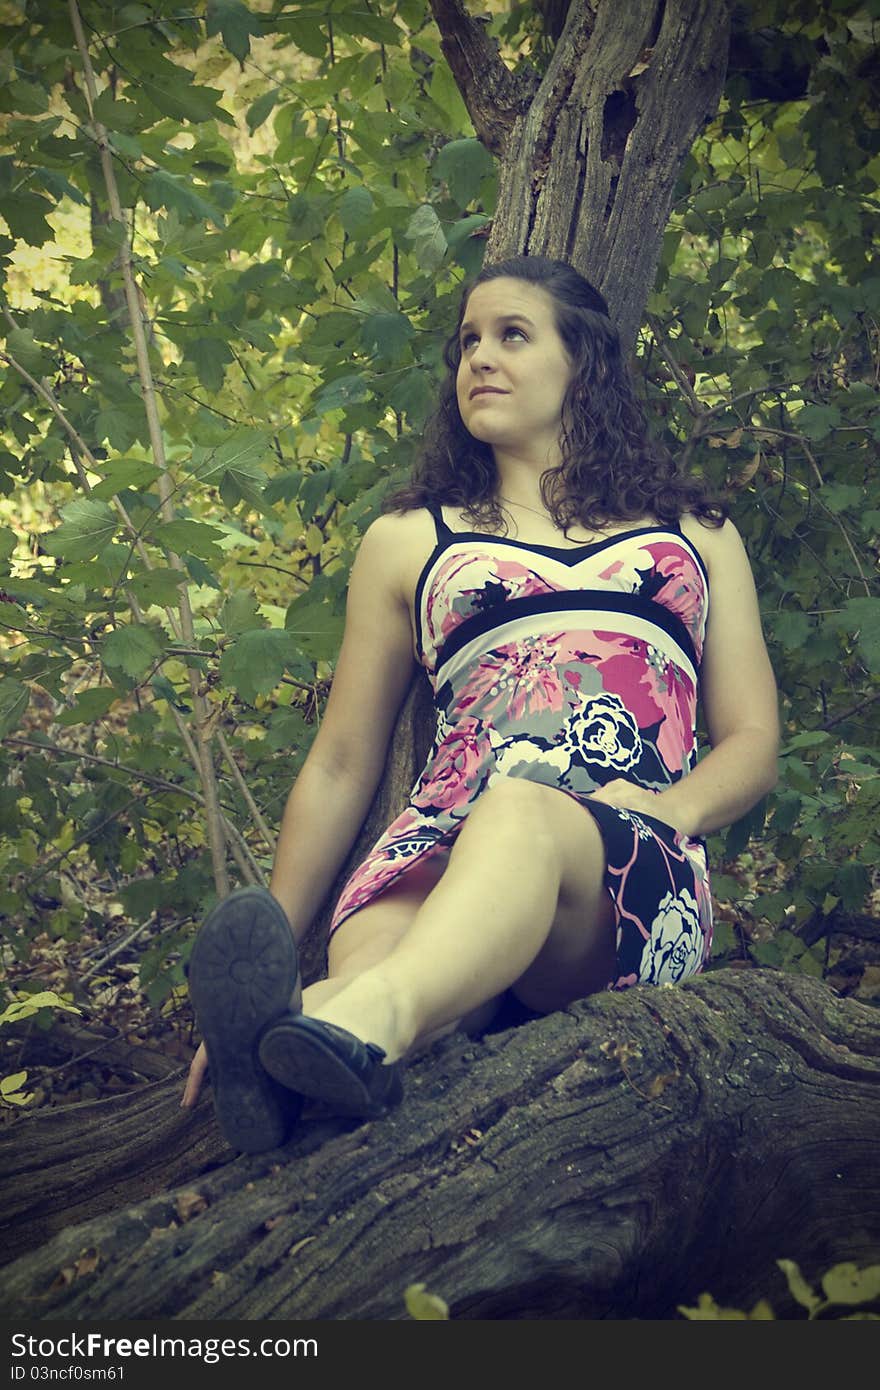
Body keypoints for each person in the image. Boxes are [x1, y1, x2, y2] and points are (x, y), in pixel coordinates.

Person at [180, 255, 779, 1152]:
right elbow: (343, 762)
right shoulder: (407, 540)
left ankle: (354, 1027)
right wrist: (280, 930)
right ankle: (286, 1038)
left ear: (584, 363)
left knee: (517, 820)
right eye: (467, 342)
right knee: (391, 959)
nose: (478, 360)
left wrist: (670, 807)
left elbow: (754, 740)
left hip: (621, 860)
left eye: (511, 336)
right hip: (432, 845)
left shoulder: (692, 537)